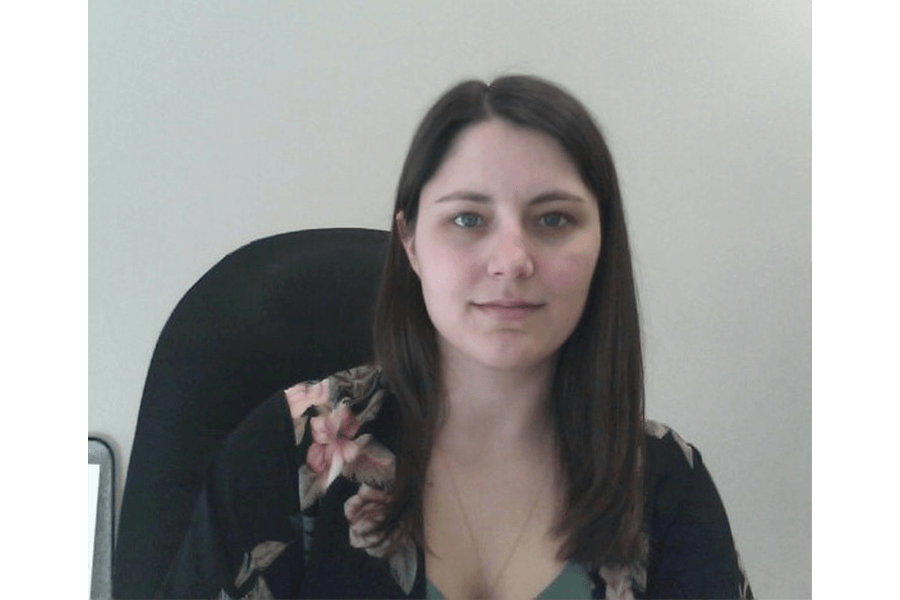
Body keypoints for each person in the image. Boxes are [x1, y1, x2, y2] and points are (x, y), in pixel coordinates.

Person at [161, 75, 753, 599]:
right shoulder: (290, 452)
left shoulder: (666, 483)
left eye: (554, 219)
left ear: (602, 244)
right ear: (411, 242)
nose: (512, 260)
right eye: (468, 219)